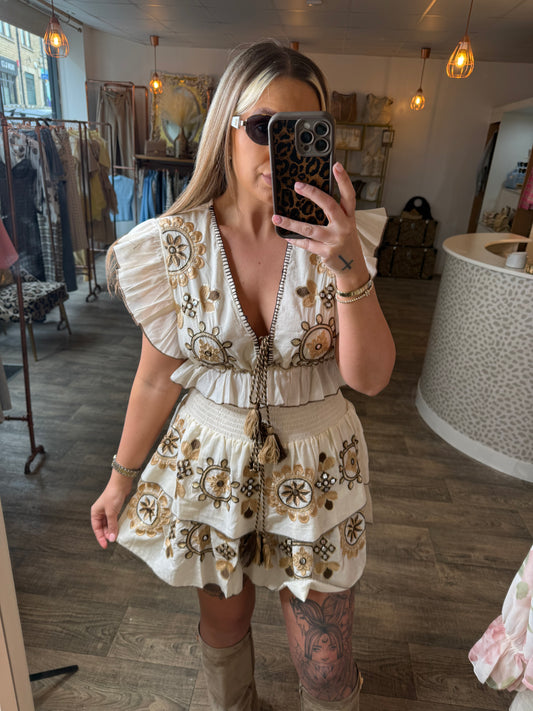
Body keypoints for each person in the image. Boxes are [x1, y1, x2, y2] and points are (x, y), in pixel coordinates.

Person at [91, 39, 395, 711]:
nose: (280, 148)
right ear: (224, 128)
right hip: (212, 463)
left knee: (324, 664)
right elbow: (154, 379)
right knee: (223, 629)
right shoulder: (174, 245)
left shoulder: (341, 240)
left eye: (303, 130)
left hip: (317, 466)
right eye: (264, 127)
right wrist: (119, 478)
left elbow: (371, 379)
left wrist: (347, 261)